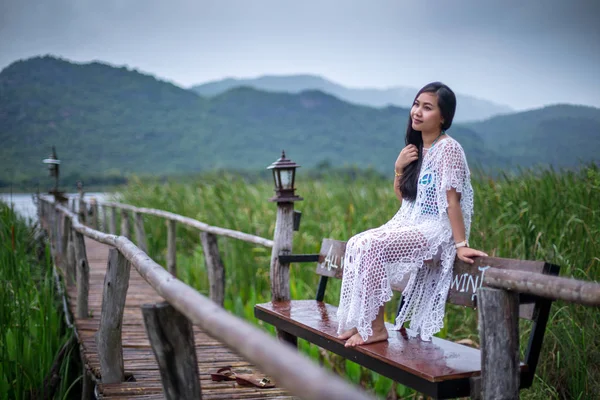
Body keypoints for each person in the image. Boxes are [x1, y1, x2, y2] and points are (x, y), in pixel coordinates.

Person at [336, 82, 488, 347]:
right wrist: (398, 168)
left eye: (427, 107)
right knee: (357, 242)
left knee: (373, 245)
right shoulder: (418, 149)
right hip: (415, 223)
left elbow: (452, 201)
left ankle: (375, 328)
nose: (417, 111)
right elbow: (408, 201)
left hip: (436, 231)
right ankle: (362, 322)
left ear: (443, 117)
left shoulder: (449, 150)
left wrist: (461, 245)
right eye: (416, 104)